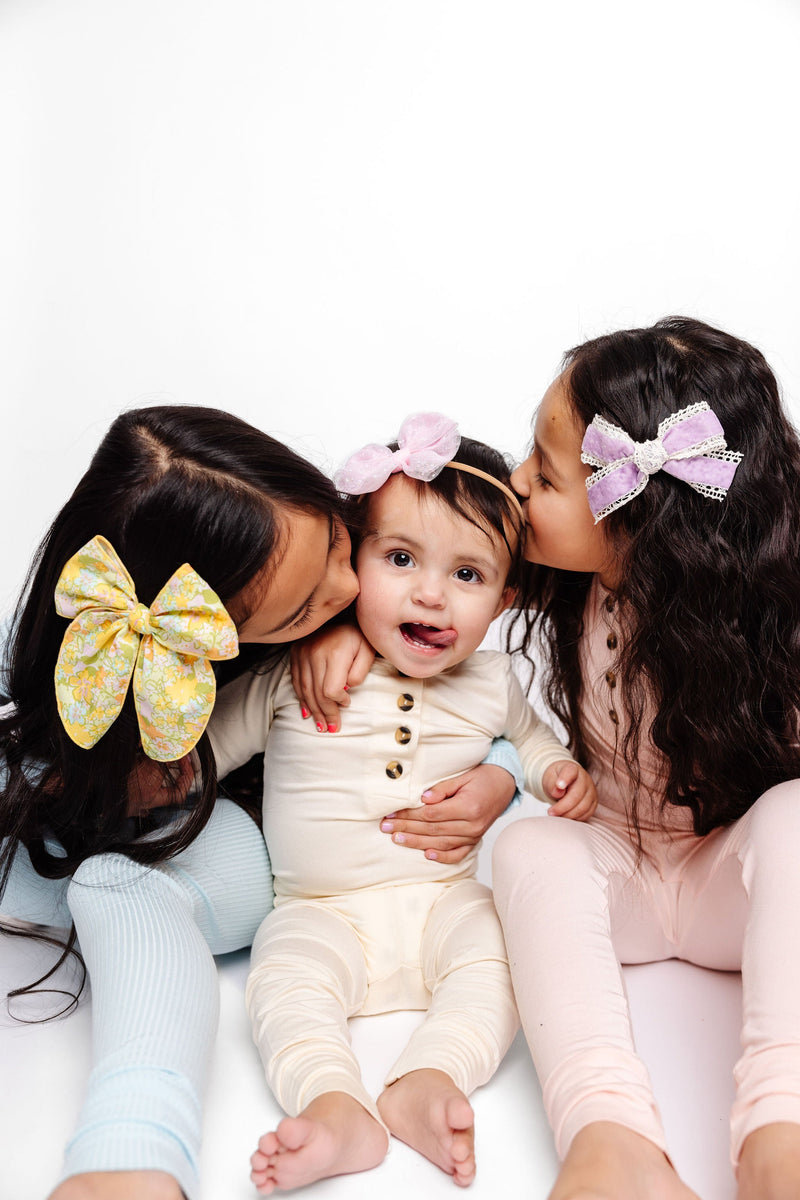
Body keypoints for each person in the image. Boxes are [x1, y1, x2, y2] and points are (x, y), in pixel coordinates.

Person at [0, 404, 520, 1200]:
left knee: (114, 880)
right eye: (309, 604)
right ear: (221, 638)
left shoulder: (367, 624)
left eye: (343, 551)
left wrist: (505, 770)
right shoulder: (72, 660)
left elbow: (486, 700)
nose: (351, 590)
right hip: (127, 829)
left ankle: (132, 1150)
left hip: (240, 851)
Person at [206, 416, 597, 1194]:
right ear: (351, 563)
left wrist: (553, 774)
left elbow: (532, 740)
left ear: (505, 599)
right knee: (283, 981)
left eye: (468, 576)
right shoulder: (300, 671)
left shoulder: (493, 684)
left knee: (506, 959)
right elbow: (209, 747)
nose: (430, 593)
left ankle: (430, 1074)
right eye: (401, 559)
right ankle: (333, 1101)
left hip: (442, 898)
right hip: (323, 908)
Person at [485, 317, 800, 1200]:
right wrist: (333, 640)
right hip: (617, 866)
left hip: (726, 883)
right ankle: (608, 1132)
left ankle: (781, 1125)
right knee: (527, 848)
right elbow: (420, 572)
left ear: (641, 512)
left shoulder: (764, 623)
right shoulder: (555, 577)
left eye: (544, 476)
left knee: (798, 819)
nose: (517, 485)